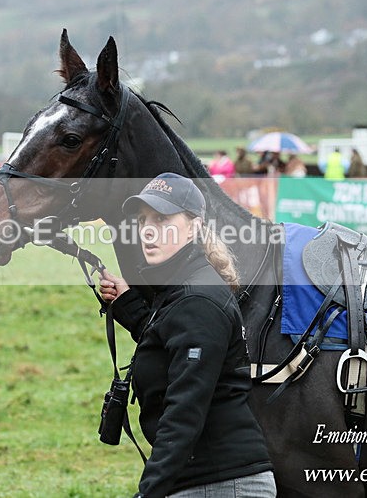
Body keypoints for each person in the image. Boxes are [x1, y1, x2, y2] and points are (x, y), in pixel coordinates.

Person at [98, 173, 275, 498]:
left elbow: (184, 412)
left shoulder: (198, 300)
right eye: (143, 220)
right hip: (204, 480)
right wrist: (128, 305)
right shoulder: (183, 288)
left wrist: (148, 493)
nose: (148, 230)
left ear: (193, 227)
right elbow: (171, 346)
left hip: (221, 485)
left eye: (162, 219)